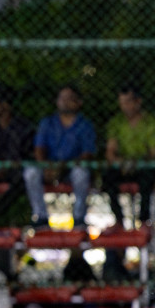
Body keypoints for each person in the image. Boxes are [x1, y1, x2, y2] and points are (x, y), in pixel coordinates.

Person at [23, 84, 96, 229]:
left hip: (72, 168)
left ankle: (79, 218)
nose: (65, 102)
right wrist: (46, 167)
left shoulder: (85, 125)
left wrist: (64, 167)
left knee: (81, 174)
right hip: (48, 168)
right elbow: (39, 148)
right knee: (31, 172)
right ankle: (41, 216)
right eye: (62, 98)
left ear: (78, 102)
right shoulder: (48, 122)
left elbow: (87, 153)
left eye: (69, 98)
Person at [103, 84, 155, 225]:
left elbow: (154, 154)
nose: (125, 106)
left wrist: (136, 164)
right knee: (107, 178)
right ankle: (119, 220)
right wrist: (122, 162)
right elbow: (110, 152)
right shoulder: (116, 122)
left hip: (143, 166)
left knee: (147, 178)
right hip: (123, 167)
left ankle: (144, 221)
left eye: (128, 102)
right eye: (122, 103)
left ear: (138, 101)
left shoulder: (152, 123)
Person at [0, 86, 33, 227]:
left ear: (5, 105)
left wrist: (7, 167)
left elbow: (27, 155)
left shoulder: (23, 127)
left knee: (24, 178)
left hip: (16, 173)